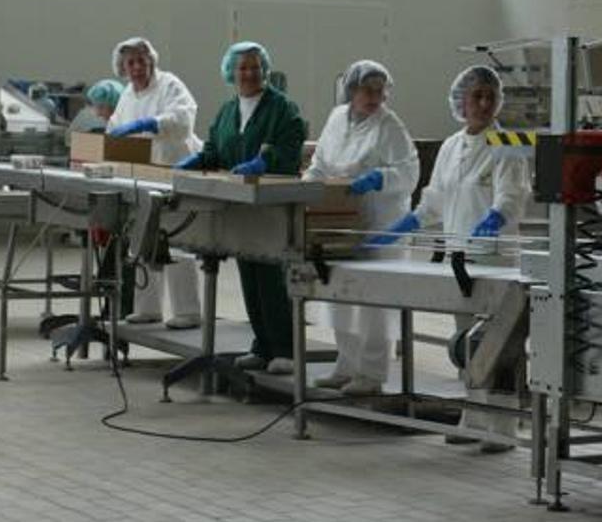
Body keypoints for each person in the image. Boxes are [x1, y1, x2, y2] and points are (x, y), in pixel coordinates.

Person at [371, 65, 530, 452]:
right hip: (459, 262)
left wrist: (496, 217)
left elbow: (514, 194)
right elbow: (436, 198)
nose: (484, 103)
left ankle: (503, 429)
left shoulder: (509, 142)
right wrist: (408, 221)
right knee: (467, 343)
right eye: (476, 95)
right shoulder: (451, 146)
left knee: (500, 346)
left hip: (495, 260)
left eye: (491, 96)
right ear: (460, 101)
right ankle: (473, 420)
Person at [174, 41, 306, 375]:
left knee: (273, 278)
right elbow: (215, 149)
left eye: (254, 67)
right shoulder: (227, 110)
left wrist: (265, 162)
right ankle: (262, 345)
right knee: (250, 274)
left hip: (272, 206)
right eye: (242, 67)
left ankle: (286, 349)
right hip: (239, 206)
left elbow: (290, 149)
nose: (248, 73)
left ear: (265, 70)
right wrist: (194, 162)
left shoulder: (282, 108)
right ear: (230, 72)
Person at [302, 60, 419, 395]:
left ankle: (372, 373)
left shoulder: (390, 126)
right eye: (368, 90)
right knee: (341, 292)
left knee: (375, 299)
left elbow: (410, 173)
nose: (375, 97)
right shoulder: (337, 119)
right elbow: (321, 162)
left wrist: (379, 178)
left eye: (380, 91)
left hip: (381, 224)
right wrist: (309, 188)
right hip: (341, 220)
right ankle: (346, 363)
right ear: (351, 90)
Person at [107, 37, 204, 330]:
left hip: (175, 170)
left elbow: (184, 119)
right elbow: (114, 130)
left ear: (152, 61)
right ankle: (147, 308)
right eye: (130, 63)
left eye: (141, 60)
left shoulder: (169, 84)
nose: (137, 67)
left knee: (177, 240)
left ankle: (188, 311)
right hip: (141, 176)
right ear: (122, 68)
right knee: (142, 240)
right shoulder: (127, 95)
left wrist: (150, 123)